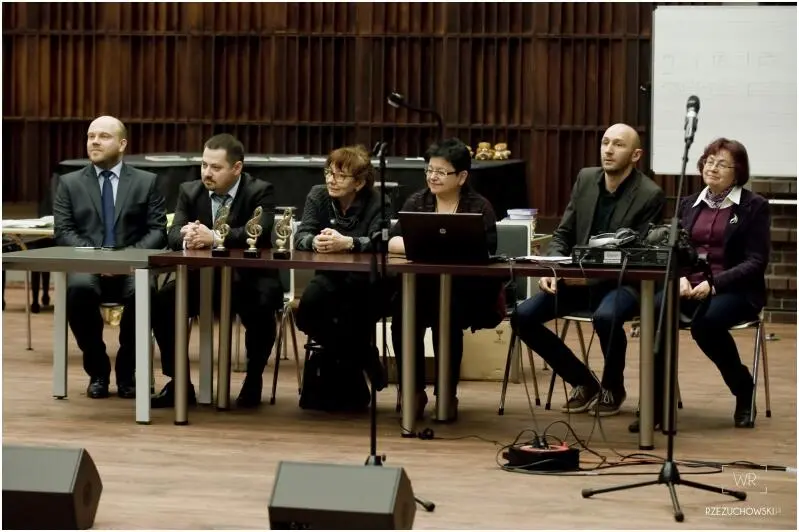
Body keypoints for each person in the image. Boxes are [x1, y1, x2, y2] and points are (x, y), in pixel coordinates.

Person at [511, 123, 665, 416]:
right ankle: (583, 381)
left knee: (606, 317)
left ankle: (613, 387)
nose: (608, 150)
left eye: (618, 144)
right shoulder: (586, 178)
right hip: (576, 278)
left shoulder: (649, 194)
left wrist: (588, 278)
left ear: (635, 155)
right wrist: (553, 268)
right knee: (522, 317)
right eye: (605, 142)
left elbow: (637, 254)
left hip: (624, 282)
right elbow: (563, 234)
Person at [629, 138, 770, 432]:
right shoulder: (688, 203)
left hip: (734, 291)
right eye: (709, 161)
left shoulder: (754, 206)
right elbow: (674, 251)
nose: (712, 168)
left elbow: (755, 261)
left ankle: (743, 389)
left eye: (722, 164)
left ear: (738, 172)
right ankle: (656, 404)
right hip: (687, 286)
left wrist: (714, 283)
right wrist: (679, 276)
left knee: (705, 325)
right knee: (653, 312)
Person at [150, 134, 284, 409]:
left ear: (237, 168)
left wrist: (215, 237)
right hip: (201, 279)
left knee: (264, 302)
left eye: (215, 167)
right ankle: (179, 381)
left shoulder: (260, 191)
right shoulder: (189, 191)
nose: (207, 173)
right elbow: (172, 234)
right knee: (162, 301)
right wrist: (187, 237)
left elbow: (259, 232)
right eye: (204, 165)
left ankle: (253, 378)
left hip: (248, 279)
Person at [53, 115, 167, 399]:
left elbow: (157, 231)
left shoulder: (146, 182)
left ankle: (127, 371)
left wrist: (125, 260)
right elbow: (64, 231)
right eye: (91, 136)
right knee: (78, 289)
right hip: (88, 267)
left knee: (146, 292)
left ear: (122, 144)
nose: (94, 142)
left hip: (132, 267)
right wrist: (98, 260)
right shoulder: (69, 183)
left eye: (103, 136)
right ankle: (98, 371)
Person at [388, 138, 500, 421]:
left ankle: (446, 392)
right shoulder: (417, 202)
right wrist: (434, 247)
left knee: (446, 315)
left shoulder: (479, 207)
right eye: (429, 170)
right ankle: (412, 390)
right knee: (403, 315)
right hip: (421, 287)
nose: (432, 177)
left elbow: (487, 250)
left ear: (461, 177)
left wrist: (427, 246)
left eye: (441, 171)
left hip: (466, 290)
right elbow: (393, 241)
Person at [293, 146, 390, 393]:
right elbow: (301, 235)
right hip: (329, 276)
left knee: (352, 315)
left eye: (340, 175)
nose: (330, 180)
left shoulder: (378, 201)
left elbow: (381, 242)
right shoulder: (318, 195)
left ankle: (349, 380)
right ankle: (365, 354)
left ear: (359, 183)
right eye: (328, 172)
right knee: (306, 311)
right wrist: (314, 241)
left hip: (366, 282)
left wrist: (349, 243)